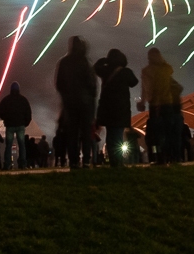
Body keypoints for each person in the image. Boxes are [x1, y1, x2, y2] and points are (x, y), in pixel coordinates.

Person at [54, 36, 97, 169]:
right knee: (86, 132)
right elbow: (92, 84)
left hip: (70, 103)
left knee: (72, 132)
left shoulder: (64, 62)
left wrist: (66, 97)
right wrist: (91, 100)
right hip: (86, 103)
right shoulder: (86, 62)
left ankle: (73, 160)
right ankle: (86, 160)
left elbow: (59, 84)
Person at [94, 48, 139, 167]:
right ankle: (118, 162)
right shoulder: (126, 72)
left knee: (110, 136)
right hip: (121, 109)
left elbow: (96, 67)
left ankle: (113, 161)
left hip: (107, 108)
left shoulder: (105, 71)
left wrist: (104, 60)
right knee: (118, 135)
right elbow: (134, 82)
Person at [140, 47, 176, 164]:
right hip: (168, 102)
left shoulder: (147, 71)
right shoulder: (167, 69)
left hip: (155, 104)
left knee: (156, 131)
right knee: (167, 130)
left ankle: (160, 157)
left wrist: (143, 101)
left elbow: (145, 88)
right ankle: (170, 156)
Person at [0, 82, 32, 170]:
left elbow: (0, 110)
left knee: (8, 145)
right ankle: (22, 164)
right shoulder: (23, 100)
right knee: (22, 145)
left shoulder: (6, 100)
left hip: (10, 125)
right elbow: (28, 112)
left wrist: (5, 118)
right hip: (20, 125)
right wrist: (25, 123)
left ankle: (7, 164)